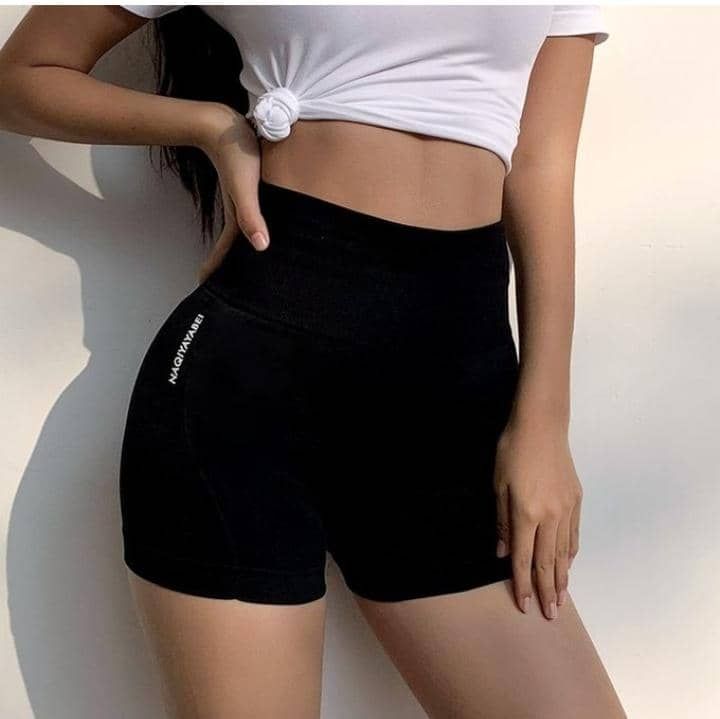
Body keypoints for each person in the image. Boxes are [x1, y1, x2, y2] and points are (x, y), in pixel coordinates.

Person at [0, 4, 627, 718]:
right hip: (245, 395)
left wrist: (544, 422)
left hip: (456, 401)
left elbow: (542, 167)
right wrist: (212, 126)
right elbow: (23, 76)